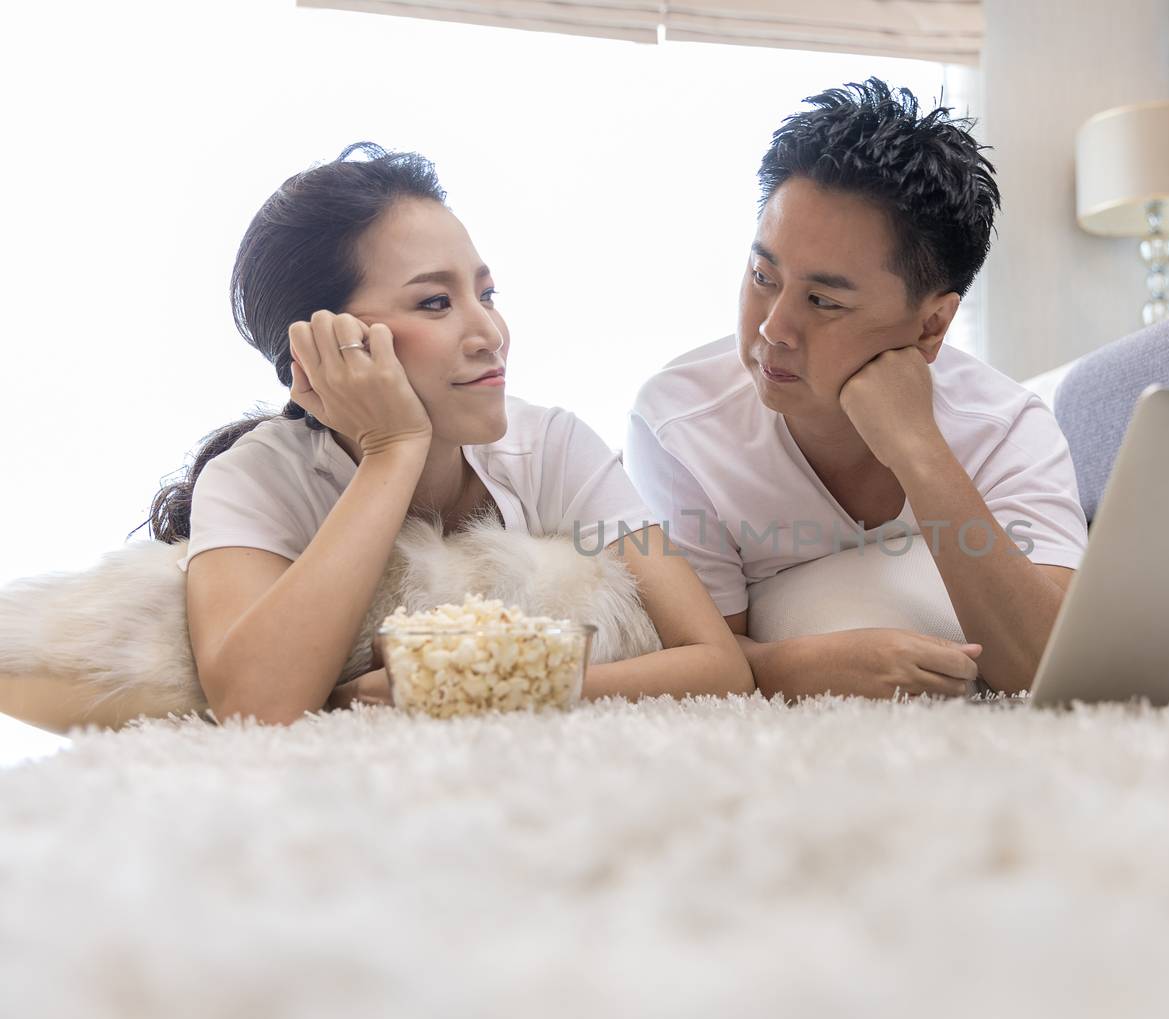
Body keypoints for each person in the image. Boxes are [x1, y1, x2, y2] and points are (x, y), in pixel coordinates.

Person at [148, 143, 751, 724]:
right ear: (324, 344)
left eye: (487, 294)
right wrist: (392, 451)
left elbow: (719, 667)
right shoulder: (255, 477)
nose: (489, 331)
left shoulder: (551, 446)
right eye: (436, 302)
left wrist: (479, 688)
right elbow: (255, 705)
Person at [625, 81, 1089, 700]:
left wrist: (918, 448)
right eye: (763, 275)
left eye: (824, 300)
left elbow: (1048, 663)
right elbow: (705, 651)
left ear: (932, 325)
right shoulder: (679, 424)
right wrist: (803, 668)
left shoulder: (1006, 425)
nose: (773, 328)